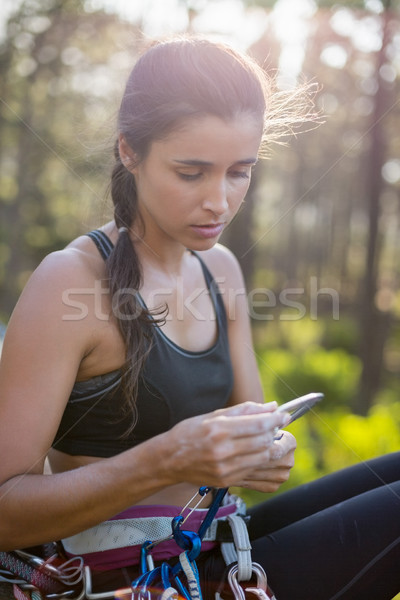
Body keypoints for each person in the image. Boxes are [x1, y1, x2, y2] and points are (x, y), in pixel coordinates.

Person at [0, 35, 399, 600]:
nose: (220, 200)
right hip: (127, 574)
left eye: (240, 171)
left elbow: (250, 428)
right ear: (129, 152)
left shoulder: (221, 271)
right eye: (192, 172)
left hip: (218, 540)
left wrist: (266, 451)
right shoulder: (68, 282)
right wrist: (164, 460)